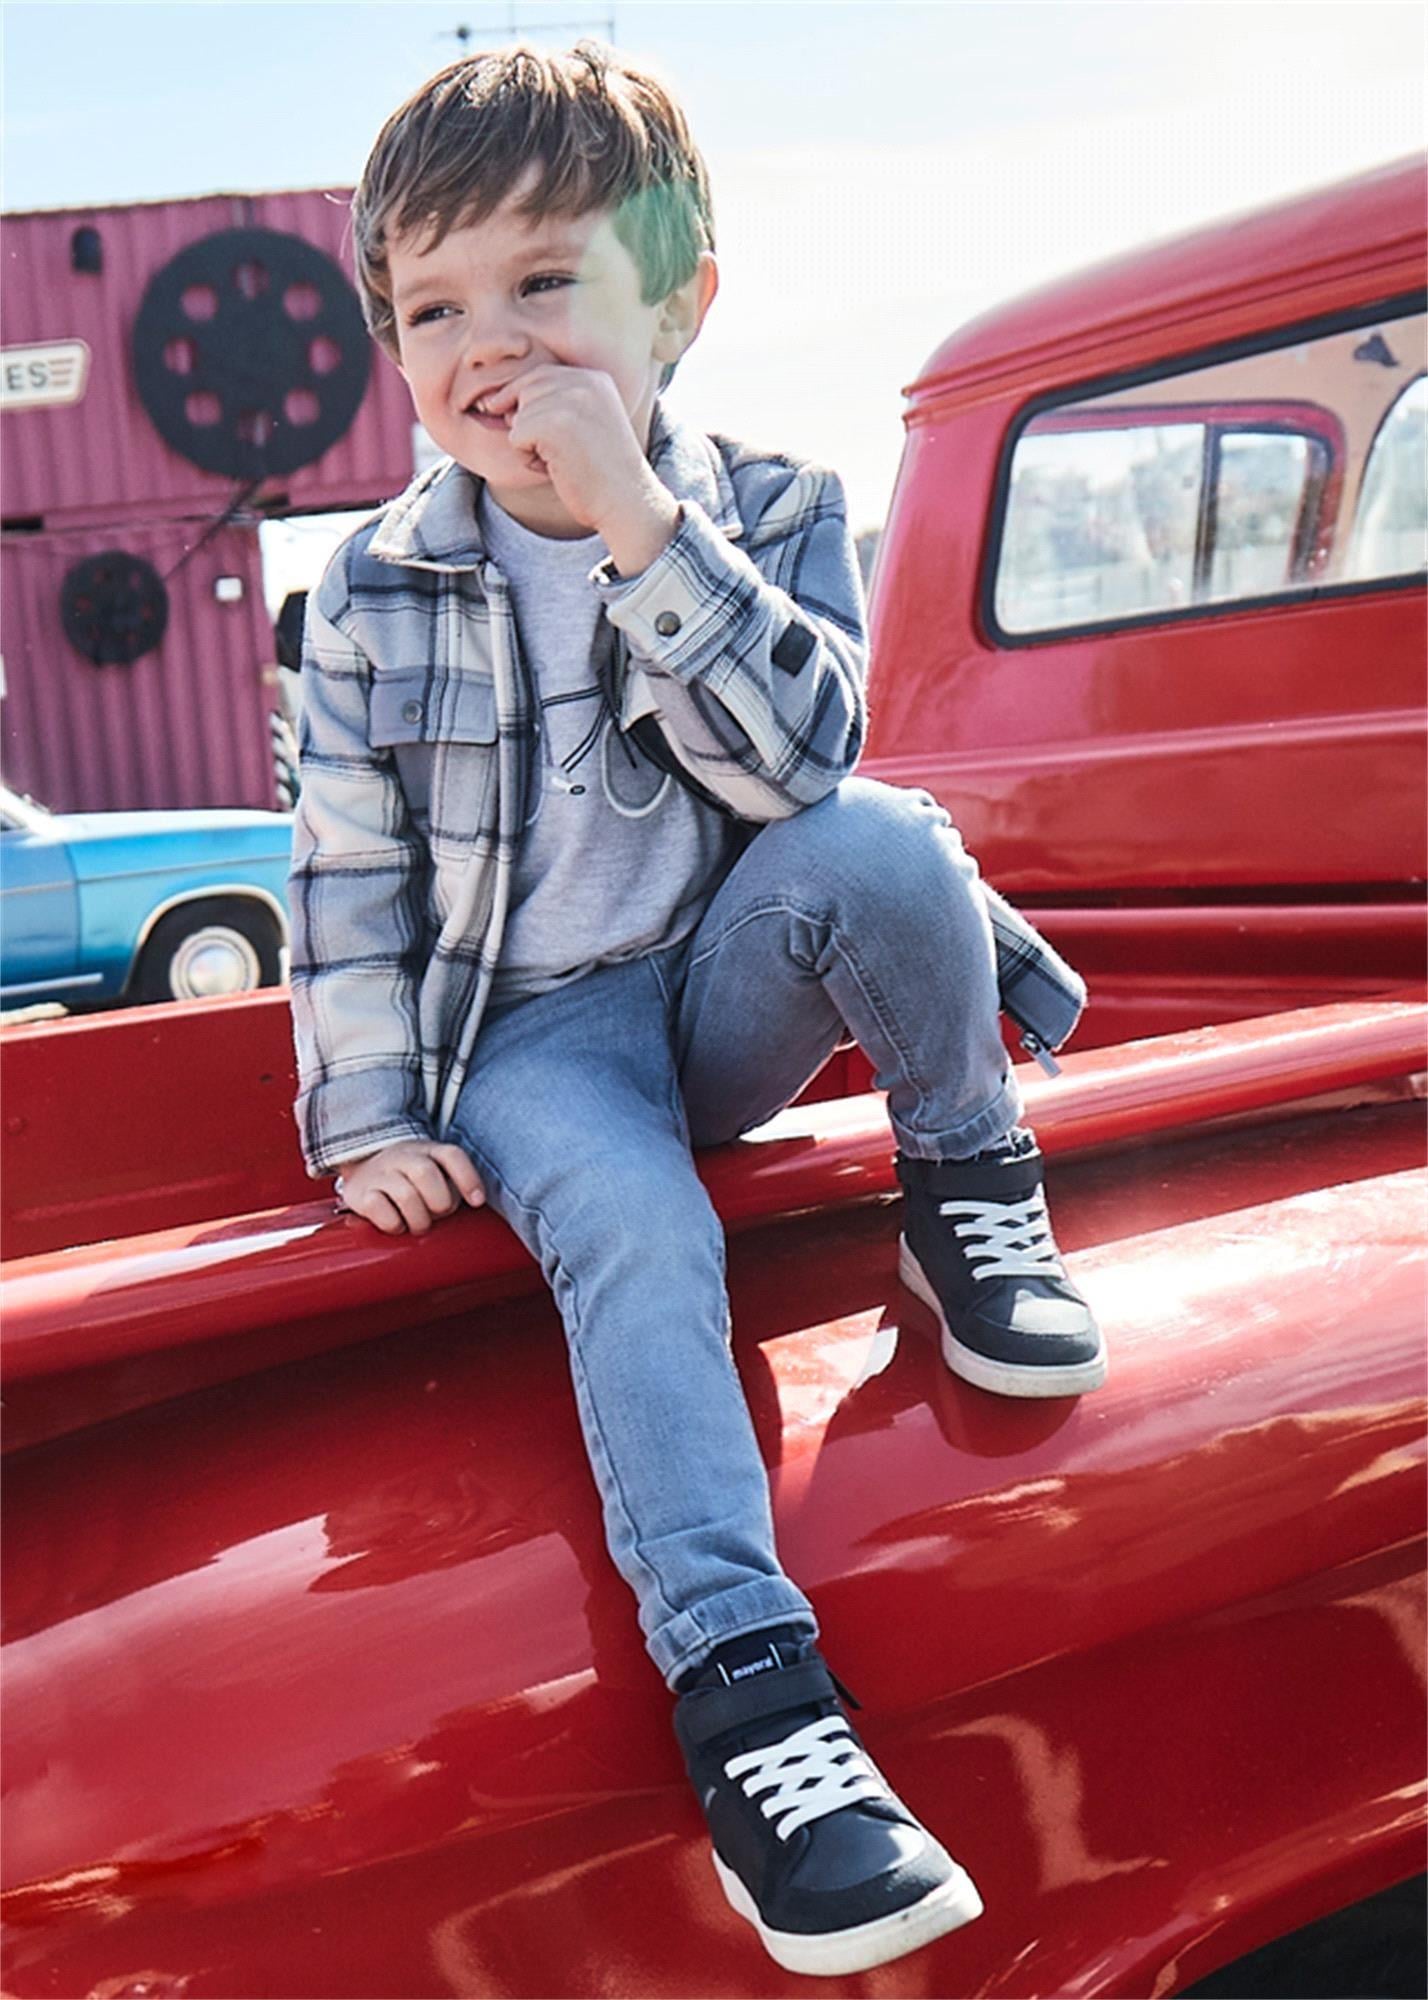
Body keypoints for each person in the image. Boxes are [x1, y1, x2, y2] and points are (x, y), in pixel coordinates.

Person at [288, 41, 1105, 1979]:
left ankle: (971, 1186)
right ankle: (756, 1708)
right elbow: (344, 874)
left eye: (543, 281)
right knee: (636, 1231)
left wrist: (642, 528)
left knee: (886, 838)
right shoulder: (372, 591)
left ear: (680, 303)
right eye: (433, 308)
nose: (490, 344)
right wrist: (369, 1111)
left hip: (727, 982)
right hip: (533, 1035)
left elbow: (807, 767)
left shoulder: (771, 507)